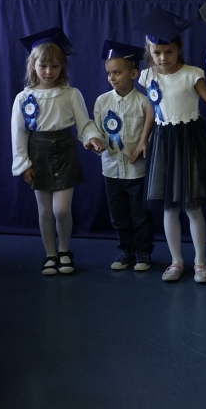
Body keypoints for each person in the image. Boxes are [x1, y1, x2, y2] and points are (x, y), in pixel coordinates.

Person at [134, 9, 206, 283]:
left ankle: (200, 262)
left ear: (179, 48)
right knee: (169, 207)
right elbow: (152, 109)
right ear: (150, 51)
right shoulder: (147, 76)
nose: (163, 58)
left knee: (192, 206)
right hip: (163, 141)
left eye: (168, 52)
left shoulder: (192, 74)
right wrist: (144, 139)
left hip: (190, 139)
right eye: (157, 53)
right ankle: (176, 261)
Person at [11, 27, 104, 275]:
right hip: (38, 154)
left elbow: (84, 124)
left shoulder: (71, 94)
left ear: (63, 66)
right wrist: (23, 163)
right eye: (43, 66)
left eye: (54, 66)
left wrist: (92, 137)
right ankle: (50, 254)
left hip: (65, 152)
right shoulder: (23, 98)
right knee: (44, 211)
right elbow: (19, 133)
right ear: (33, 66)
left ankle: (64, 251)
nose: (48, 71)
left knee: (61, 210)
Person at [89, 41, 155, 271]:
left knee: (140, 215)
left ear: (134, 74)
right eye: (109, 73)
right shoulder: (102, 101)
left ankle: (143, 253)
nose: (112, 78)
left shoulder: (145, 103)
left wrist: (144, 145)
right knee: (118, 215)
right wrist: (95, 140)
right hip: (111, 169)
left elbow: (150, 134)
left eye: (117, 72)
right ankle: (126, 251)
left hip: (136, 170)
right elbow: (96, 128)